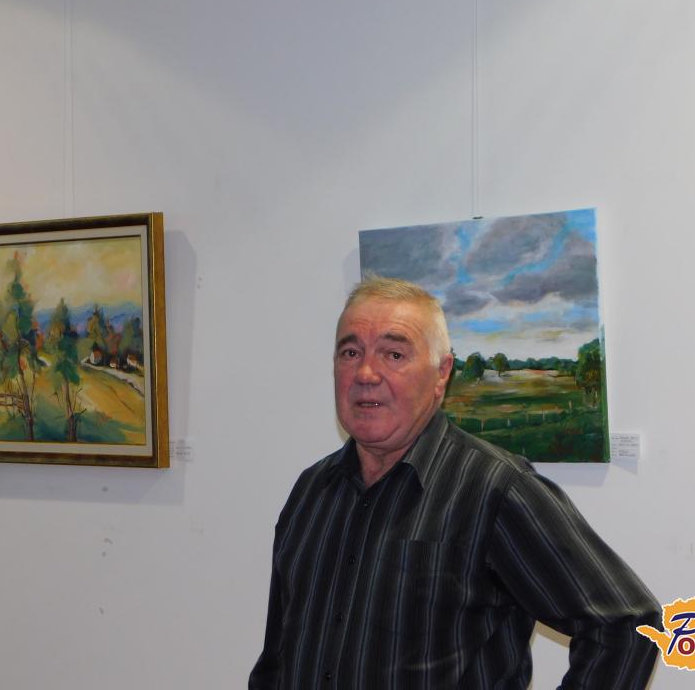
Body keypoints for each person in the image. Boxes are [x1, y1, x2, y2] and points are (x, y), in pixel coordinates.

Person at [249, 276, 660, 689]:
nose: (366, 373)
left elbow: (626, 625)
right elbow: (278, 656)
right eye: (350, 352)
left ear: (441, 373)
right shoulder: (312, 491)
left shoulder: (496, 490)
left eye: (394, 354)